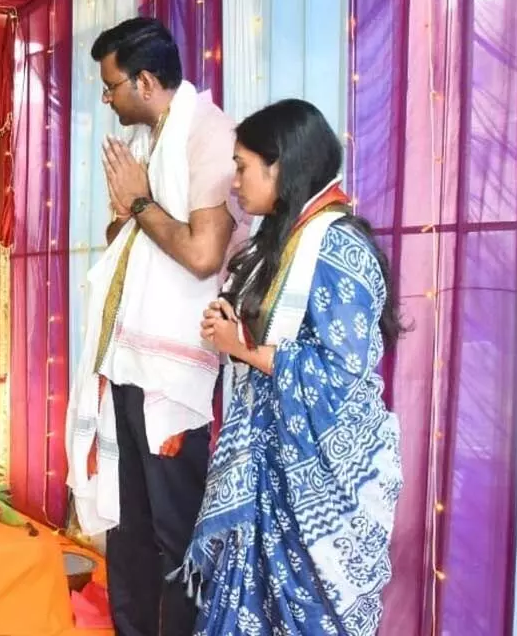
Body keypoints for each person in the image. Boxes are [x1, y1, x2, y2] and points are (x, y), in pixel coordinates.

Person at [192, 99, 403, 635]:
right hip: (266, 466)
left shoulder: (339, 247)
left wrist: (242, 348)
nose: (234, 182)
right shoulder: (278, 241)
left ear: (279, 165)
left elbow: (339, 375)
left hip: (314, 483)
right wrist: (235, 329)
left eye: (241, 166)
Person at [65, 17, 242, 636]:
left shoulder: (206, 132)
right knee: (129, 526)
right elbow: (130, 244)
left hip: (173, 375)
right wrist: (128, 213)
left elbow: (201, 254)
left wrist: (139, 205)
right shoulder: (150, 138)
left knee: (174, 528)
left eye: (111, 85)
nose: (106, 97)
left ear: (144, 80)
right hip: (129, 363)